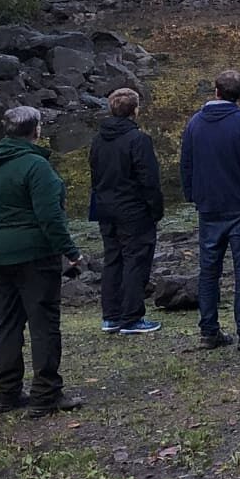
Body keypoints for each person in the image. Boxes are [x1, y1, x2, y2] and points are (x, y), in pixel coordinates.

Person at [0, 106, 82, 415]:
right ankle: (46, 393)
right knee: (44, 322)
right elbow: (50, 216)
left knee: (8, 321)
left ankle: (5, 392)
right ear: (35, 130)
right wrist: (71, 251)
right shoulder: (36, 167)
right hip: (33, 254)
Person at [179, 70, 240, 352]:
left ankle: (209, 331)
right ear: (239, 95)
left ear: (216, 91)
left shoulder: (195, 124)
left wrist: (193, 196)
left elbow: (186, 164)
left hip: (209, 206)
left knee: (209, 270)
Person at [88, 87, 164, 334]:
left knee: (113, 260)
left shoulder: (98, 139)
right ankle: (131, 317)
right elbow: (149, 179)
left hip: (106, 207)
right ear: (135, 110)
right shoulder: (138, 140)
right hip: (133, 209)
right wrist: (155, 209)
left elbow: (95, 174)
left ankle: (111, 315)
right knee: (135, 260)